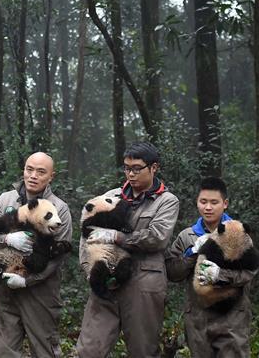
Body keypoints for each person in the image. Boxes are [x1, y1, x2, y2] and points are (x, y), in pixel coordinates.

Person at [75, 141, 180, 357]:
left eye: (136, 168)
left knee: (143, 350)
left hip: (144, 282)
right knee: (89, 349)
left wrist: (118, 237)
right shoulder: (112, 195)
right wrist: (89, 270)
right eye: (126, 168)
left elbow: (158, 238)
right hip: (105, 277)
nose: (130, 174)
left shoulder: (166, 201)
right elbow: (87, 234)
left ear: (154, 168)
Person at [0, 151, 72, 358]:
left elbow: (58, 258)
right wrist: (7, 239)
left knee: (44, 348)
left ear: (51, 176)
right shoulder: (6, 200)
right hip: (3, 289)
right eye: (29, 169)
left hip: (40, 291)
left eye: (41, 172)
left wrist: (28, 280)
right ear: (23, 170)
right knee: (4, 350)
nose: (33, 175)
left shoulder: (59, 209)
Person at [165, 176, 255, 356]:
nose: (208, 207)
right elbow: (172, 272)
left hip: (232, 317)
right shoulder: (187, 236)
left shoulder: (238, 232)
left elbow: (249, 273)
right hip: (198, 317)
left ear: (225, 203)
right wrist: (192, 254)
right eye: (203, 201)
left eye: (214, 202)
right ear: (197, 202)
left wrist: (219, 275)